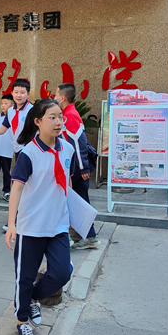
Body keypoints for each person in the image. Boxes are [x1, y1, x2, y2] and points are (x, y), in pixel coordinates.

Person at [5, 98, 75, 335]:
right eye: (52, 118)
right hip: (31, 227)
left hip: (57, 225)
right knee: (23, 278)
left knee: (62, 273)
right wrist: (11, 223)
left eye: (60, 117)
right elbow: (16, 189)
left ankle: (32, 298)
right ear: (37, 122)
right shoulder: (29, 154)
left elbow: (67, 185)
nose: (58, 122)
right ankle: (21, 320)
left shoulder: (68, 149)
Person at [0, 79, 32, 230]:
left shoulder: (33, 110)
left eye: (22, 92)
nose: (19, 95)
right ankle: (19, 221)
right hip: (19, 153)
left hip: (29, 152)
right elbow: (3, 129)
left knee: (20, 187)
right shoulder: (10, 111)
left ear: (28, 94)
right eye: (16, 92)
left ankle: (16, 222)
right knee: (24, 187)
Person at [55, 83, 98, 249]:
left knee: (80, 202)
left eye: (56, 94)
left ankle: (90, 237)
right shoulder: (67, 113)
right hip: (74, 167)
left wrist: (83, 168)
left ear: (63, 98)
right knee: (78, 201)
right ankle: (82, 235)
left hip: (77, 168)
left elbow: (79, 142)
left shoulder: (70, 115)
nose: (54, 97)